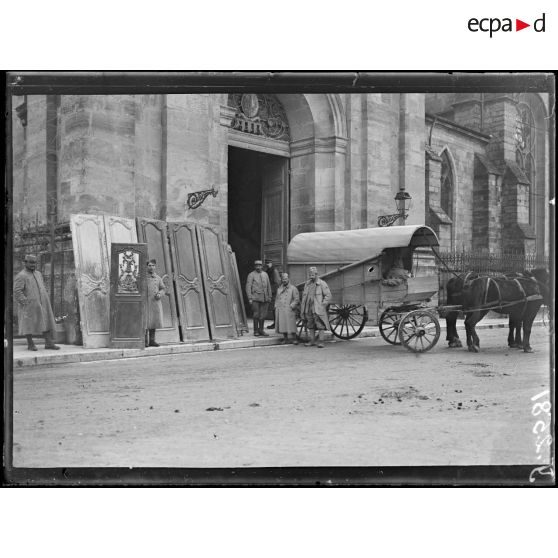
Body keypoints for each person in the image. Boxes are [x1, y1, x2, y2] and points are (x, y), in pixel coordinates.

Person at [13, 254, 60, 351]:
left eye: (34, 262)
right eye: (30, 262)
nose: (33, 265)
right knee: (28, 323)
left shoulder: (38, 274)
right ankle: (30, 344)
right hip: (28, 305)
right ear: (25, 262)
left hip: (42, 303)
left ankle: (49, 343)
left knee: (45, 321)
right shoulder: (21, 276)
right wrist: (25, 302)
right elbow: (17, 291)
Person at [300, 266, 332, 348]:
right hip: (308, 307)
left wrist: (322, 305)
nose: (311, 276)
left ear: (317, 274)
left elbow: (328, 295)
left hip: (317, 308)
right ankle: (312, 341)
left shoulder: (322, 283)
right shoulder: (307, 284)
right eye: (310, 274)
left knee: (320, 324)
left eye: (313, 274)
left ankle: (321, 341)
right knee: (310, 324)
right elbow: (304, 297)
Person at [245, 259, 272, 337]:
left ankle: (261, 330)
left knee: (263, 315)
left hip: (265, 298)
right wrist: (250, 298)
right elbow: (248, 287)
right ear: (254, 266)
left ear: (262, 266)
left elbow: (268, 286)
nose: (258, 267)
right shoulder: (251, 275)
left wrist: (269, 296)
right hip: (255, 298)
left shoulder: (265, 274)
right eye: (256, 266)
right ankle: (256, 331)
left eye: (259, 266)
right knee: (256, 315)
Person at [145, 259, 166, 347]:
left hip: (154, 302)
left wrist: (160, 294)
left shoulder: (158, 278)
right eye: (149, 265)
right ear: (147, 266)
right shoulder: (142, 277)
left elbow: (163, 288)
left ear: (155, 267)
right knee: (145, 322)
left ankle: (152, 341)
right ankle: (145, 341)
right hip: (145, 303)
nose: (151, 267)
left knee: (153, 322)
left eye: (153, 265)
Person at [274, 273, 300, 345]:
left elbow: (296, 299)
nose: (284, 280)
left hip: (289, 309)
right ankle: (286, 339)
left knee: (291, 324)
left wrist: (292, 306)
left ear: (288, 279)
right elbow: (277, 298)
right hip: (281, 309)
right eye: (283, 279)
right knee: (282, 324)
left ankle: (294, 339)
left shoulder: (293, 288)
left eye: (285, 279)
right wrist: (276, 306)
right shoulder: (279, 289)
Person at [265, 258, 281, 329]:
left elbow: (277, 283)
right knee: (273, 308)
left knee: (274, 308)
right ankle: (276, 323)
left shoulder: (274, 271)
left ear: (271, 263)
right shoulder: (268, 271)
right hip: (271, 292)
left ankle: (276, 324)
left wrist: (272, 292)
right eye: (267, 263)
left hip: (274, 292)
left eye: (269, 263)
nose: (267, 264)